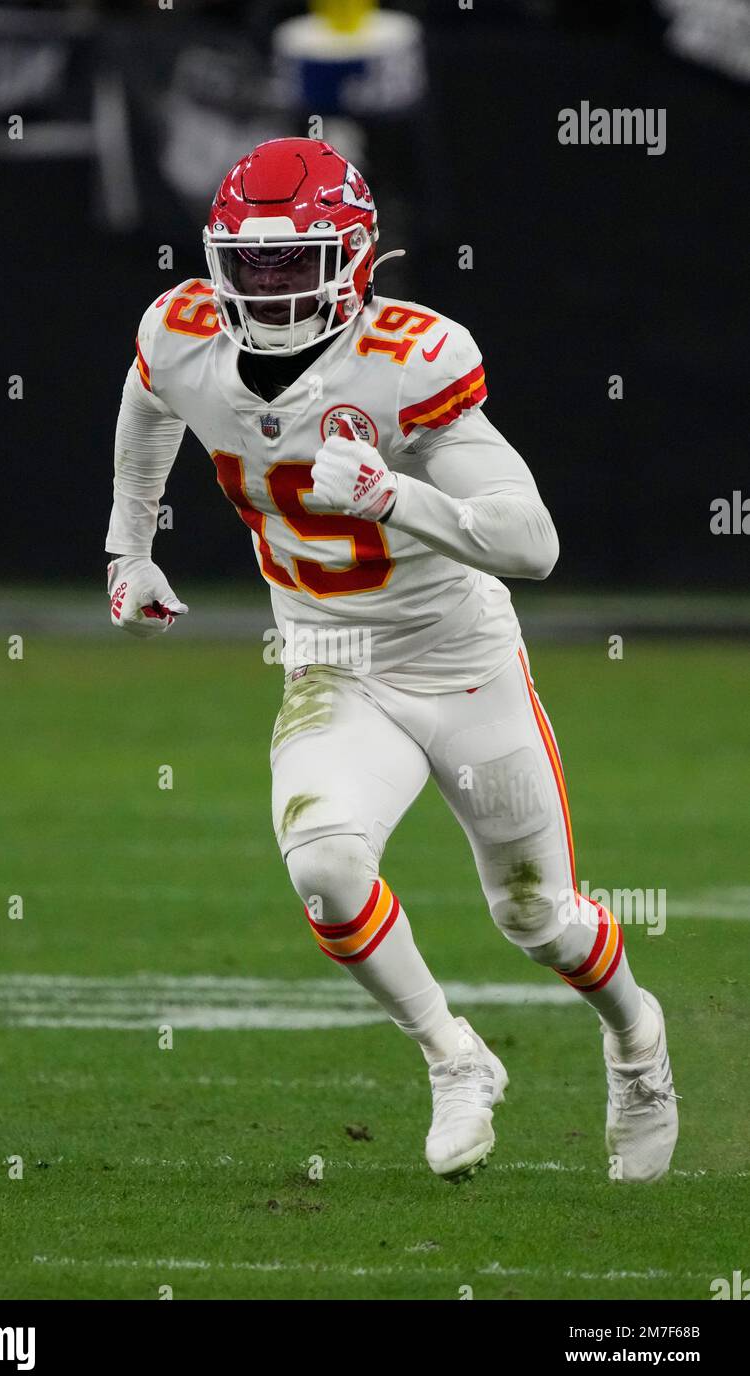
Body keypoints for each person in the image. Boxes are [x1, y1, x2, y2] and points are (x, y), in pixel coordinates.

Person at [105, 136, 678, 1182]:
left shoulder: (410, 358)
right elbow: (150, 404)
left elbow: (531, 542)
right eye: (250, 264)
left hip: (458, 658)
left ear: (356, 259)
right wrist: (129, 544)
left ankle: (637, 1041)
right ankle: (453, 1056)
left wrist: (391, 495)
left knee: (536, 916)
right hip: (329, 659)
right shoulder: (180, 330)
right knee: (324, 865)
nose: (268, 289)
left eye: (294, 265)